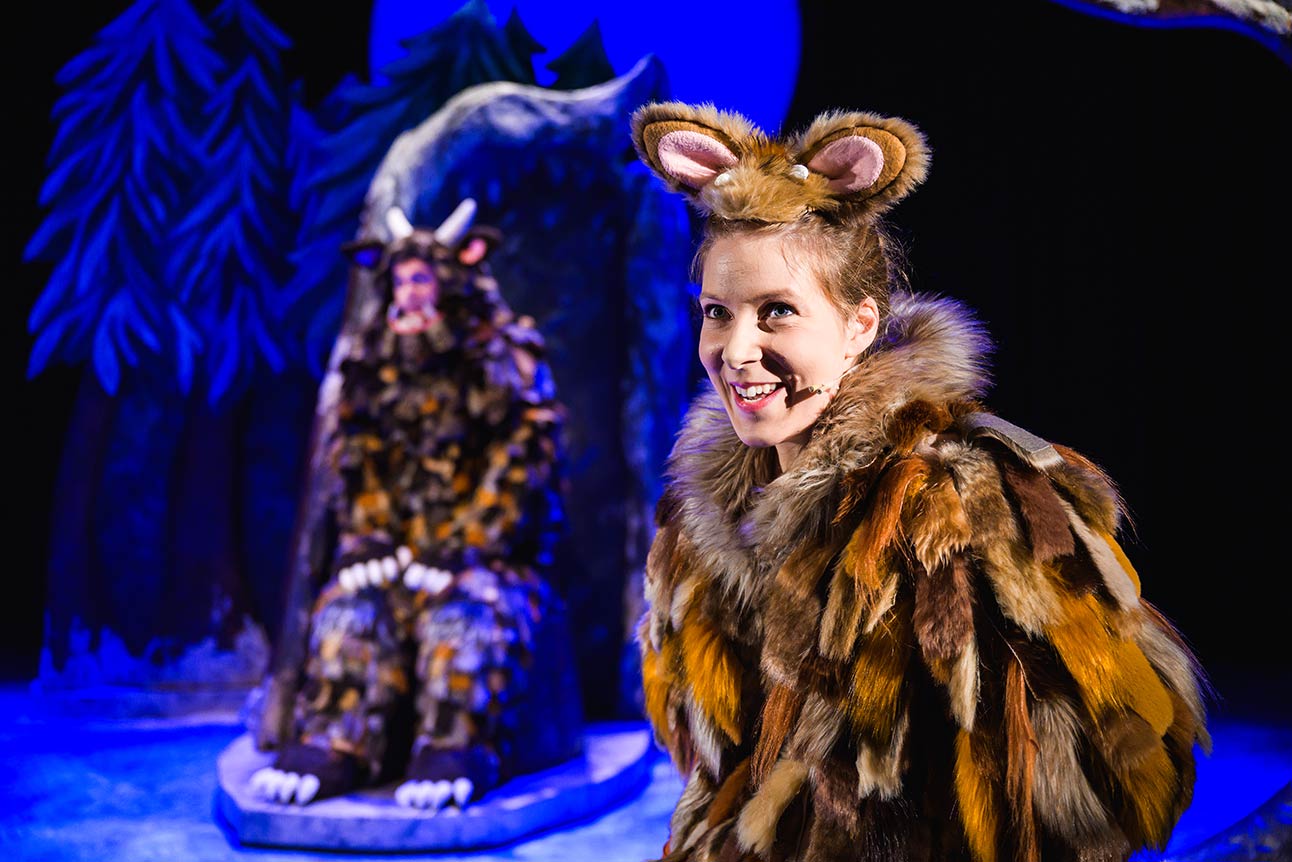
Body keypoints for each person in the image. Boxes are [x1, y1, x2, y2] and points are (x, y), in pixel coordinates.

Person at [630, 102, 1210, 861]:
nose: (737, 351)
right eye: (717, 312)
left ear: (860, 326)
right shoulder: (695, 525)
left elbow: (1072, 792)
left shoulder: (962, 502)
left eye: (777, 313)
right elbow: (715, 762)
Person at [249, 199, 568, 811]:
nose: (410, 292)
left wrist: (469, 545)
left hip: (485, 560)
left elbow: (525, 458)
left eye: (421, 278)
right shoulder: (372, 360)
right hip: (398, 554)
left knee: (467, 619)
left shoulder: (503, 354)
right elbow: (357, 458)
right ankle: (332, 746)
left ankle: (455, 750)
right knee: (349, 610)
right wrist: (368, 539)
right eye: (401, 279)